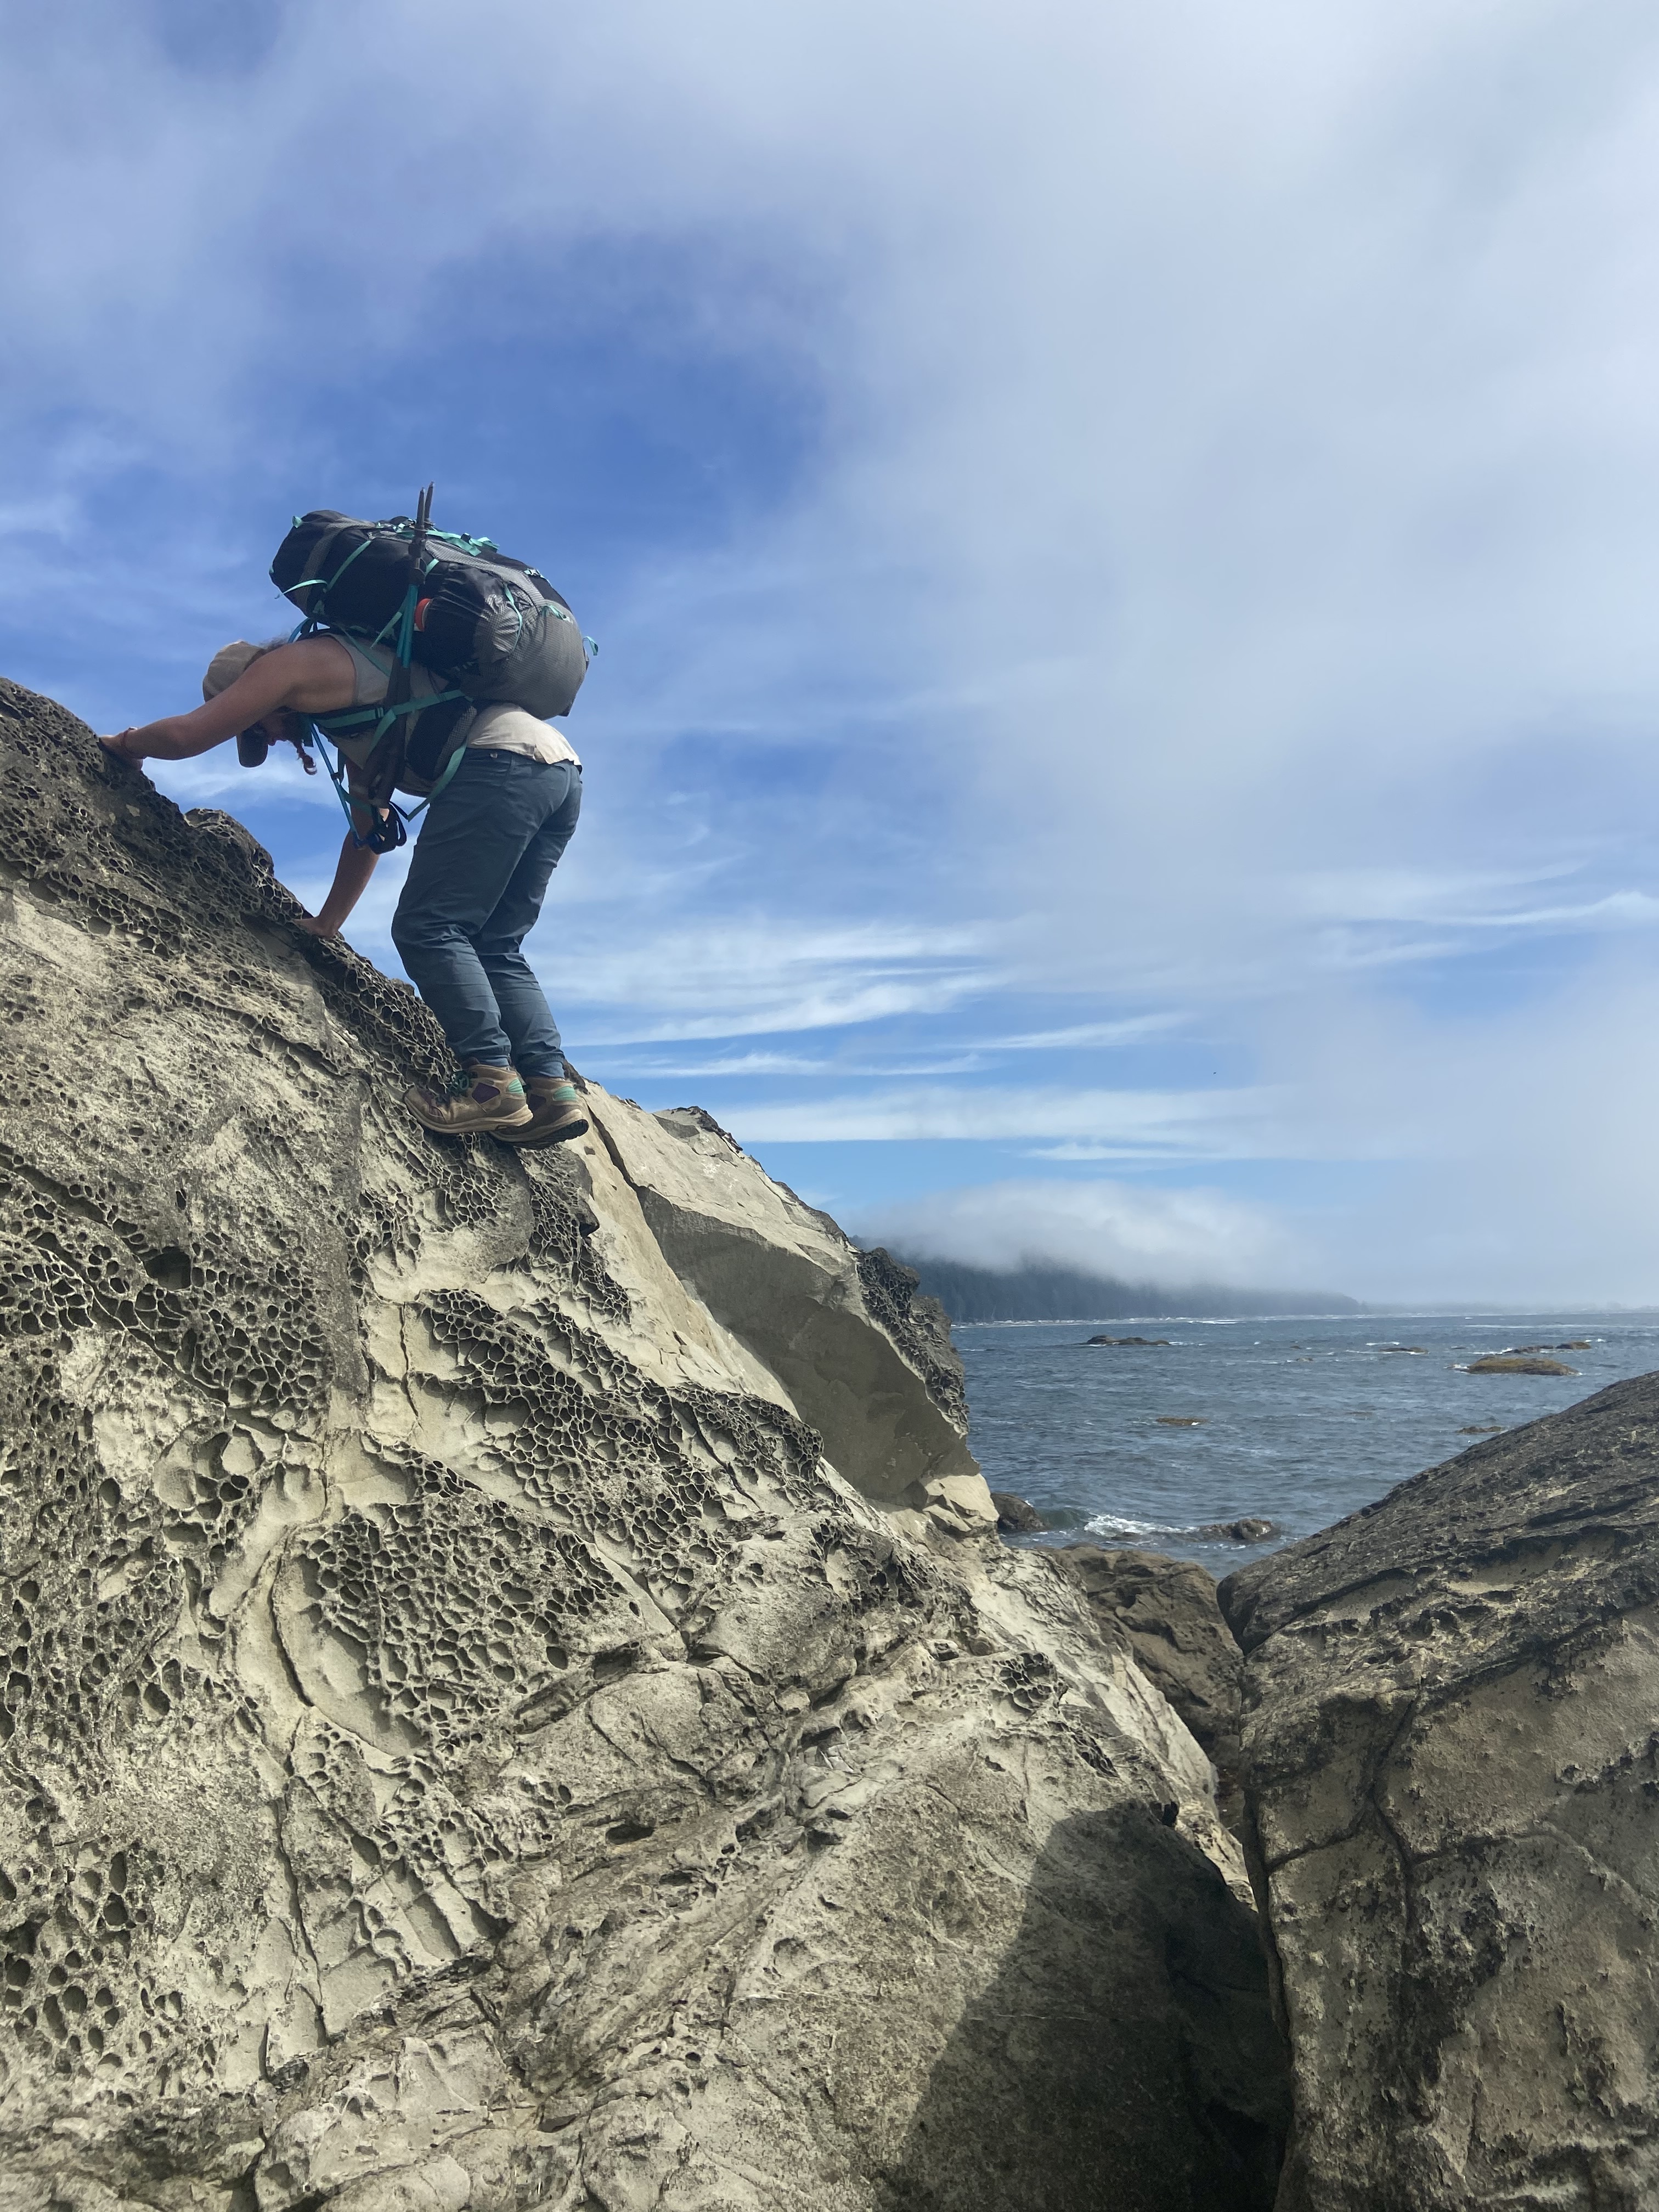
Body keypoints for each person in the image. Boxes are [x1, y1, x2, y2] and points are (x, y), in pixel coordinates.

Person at [101, 634, 588, 1146]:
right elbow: (368, 828)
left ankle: (493, 1086)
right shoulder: (360, 699)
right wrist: (329, 923)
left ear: (249, 687)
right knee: (495, 943)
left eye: (254, 726)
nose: (269, 738)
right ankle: (551, 1093)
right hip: (558, 773)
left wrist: (124, 744)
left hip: (498, 763)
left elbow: (186, 738)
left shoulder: (296, 665)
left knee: (430, 928)